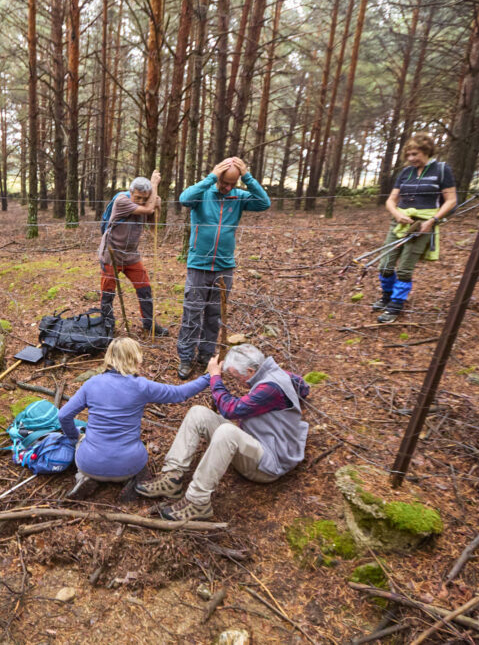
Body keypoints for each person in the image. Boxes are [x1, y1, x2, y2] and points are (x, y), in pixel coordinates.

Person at [136, 344, 310, 522]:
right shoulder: (274, 372)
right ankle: (172, 477)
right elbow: (303, 387)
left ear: (251, 370)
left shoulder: (269, 388)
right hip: (255, 444)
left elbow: (230, 409)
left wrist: (215, 378)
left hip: (269, 463)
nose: (237, 382)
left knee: (227, 431)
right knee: (198, 413)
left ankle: (198, 501)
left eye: (237, 376)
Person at [58, 337, 209, 484]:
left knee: (83, 439)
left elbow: (64, 415)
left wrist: (74, 437)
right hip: (130, 466)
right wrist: (209, 377)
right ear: (135, 358)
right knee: (135, 449)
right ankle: (132, 481)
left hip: (89, 465)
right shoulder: (141, 386)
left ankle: (84, 478)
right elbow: (179, 393)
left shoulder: (91, 384)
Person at [176, 158, 270, 379]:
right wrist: (211, 176)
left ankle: (206, 357)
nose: (227, 187)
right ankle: (186, 358)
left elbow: (264, 203)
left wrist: (247, 177)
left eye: (232, 183)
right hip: (198, 265)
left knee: (214, 316)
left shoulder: (238, 196)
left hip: (224, 266)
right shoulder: (203, 193)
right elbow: (184, 199)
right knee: (192, 314)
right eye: (224, 182)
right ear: (217, 176)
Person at [374, 133, 457, 323]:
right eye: (409, 154)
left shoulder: (441, 170)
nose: (411, 158)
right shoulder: (406, 172)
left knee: (404, 268)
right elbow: (391, 200)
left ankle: (395, 305)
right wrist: (397, 214)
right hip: (400, 223)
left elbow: (451, 200)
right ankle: (386, 297)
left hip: (423, 224)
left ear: (426, 151)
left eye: (415, 154)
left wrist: (433, 221)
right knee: (386, 264)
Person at [98, 171, 168, 336]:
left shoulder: (145, 205)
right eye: (138, 198)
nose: (141, 201)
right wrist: (154, 186)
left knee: (145, 288)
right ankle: (107, 326)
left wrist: (157, 208)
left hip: (131, 255)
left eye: (145, 198)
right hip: (112, 254)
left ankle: (149, 324)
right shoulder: (122, 201)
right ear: (131, 193)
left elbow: (153, 228)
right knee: (108, 292)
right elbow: (148, 208)